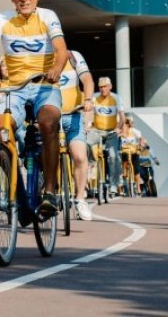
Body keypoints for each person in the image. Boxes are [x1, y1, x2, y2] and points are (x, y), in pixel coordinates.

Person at [0, 0, 68, 216]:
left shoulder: (47, 16)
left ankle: (50, 192)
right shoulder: (3, 18)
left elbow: (61, 49)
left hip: (44, 85)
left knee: (48, 122)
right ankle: (20, 196)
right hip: (14, 88)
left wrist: (56, 68)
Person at [58, 50, 95, 221]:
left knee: (80, 156)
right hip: (51, 117)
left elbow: (87, 79)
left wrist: (87, 99)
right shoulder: (40, 58)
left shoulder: (73, 57)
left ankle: (80, 199)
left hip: (73, 115)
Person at [88, 76, 126, 197]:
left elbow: (123, 118)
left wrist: (118, 128)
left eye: (105, 86)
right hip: (97, 131)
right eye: (100, 87)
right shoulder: (94, 97)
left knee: (113, 157)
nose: (102, 89)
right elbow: (88, 114)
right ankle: (92, 162)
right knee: (85, 143)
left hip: (111, 133)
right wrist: (87, 125)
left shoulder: (116, 98)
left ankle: (113, 185)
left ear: (110, 87)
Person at [119, 115, 144, 194]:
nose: (126, 124)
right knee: (124, 161)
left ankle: (138, 187)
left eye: (127, 123)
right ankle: (124, 176)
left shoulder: (134, 131)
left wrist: (141, 144)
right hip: (124, 152)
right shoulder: (120, 132)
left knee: (137, 170)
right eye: (124, 123)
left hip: (134, 152)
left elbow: (141, 138)